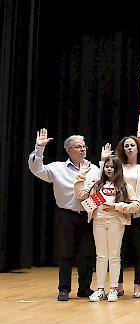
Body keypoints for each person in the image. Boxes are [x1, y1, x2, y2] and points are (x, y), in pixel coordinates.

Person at [28, 129, 101, 301]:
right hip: (66, 215)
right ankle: (64, 289)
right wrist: (39, 148)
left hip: (89, 216)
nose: (82, 149)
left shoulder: (94, 169)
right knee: (65, 253)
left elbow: (99, 192)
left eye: (84, 146)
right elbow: (36, 169)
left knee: (87, 253)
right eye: (78, 147)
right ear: (69, 150)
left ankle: (84, 288)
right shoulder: (57, 168)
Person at [74, 156, 140, 301]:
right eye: (107, 166)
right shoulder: (97, 185)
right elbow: (79, 195)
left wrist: (116, 206)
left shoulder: (124, 186)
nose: (109, 169)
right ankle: (100, 289)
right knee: (101, 256)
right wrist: (81, 175)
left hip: (116, 221)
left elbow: (136, 206)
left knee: (114, 256)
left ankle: (113, 289)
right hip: (99, 221)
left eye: (113, 167)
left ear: (118, 169)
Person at [115, 136, 140, 298]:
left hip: (138, 213)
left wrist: (135, 203)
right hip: (120, 213)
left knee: (139, 251)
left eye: (132, 145)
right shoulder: (118, 167)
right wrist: (123, 207)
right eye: (126, 146)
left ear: (138, 148)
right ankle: (119, 285)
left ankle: (137, 285)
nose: (129, 148)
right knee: (119, 251)